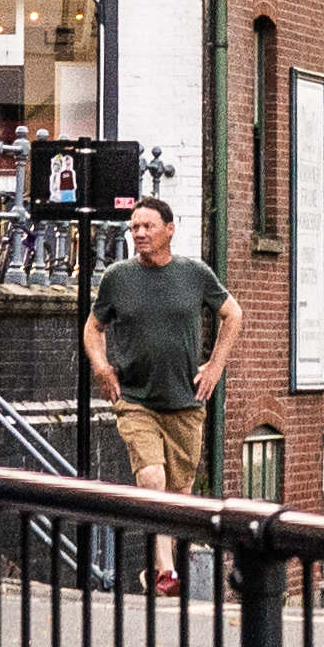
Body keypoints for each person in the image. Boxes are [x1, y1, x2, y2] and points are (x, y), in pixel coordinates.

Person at [82, 196, 239, 574]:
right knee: (153, 477)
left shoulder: (194, 274)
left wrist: (215, 367)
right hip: (135, 398)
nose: (139, 233)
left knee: (181, 492)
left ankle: (168, 568)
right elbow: (93, 327)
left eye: (147, 226)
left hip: (185, 398)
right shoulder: (118, 277)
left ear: (169, 229)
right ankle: (164, 567)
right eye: (134, 227)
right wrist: (102, 368)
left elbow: (232, 314)